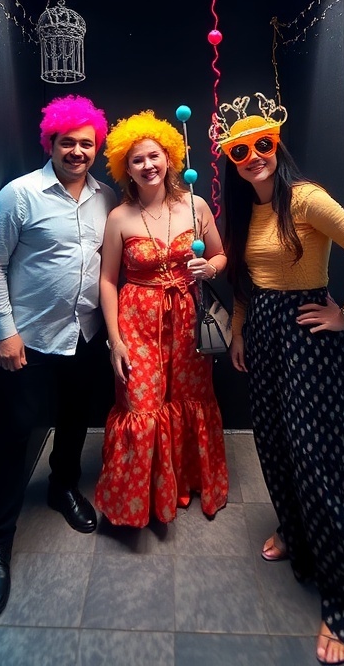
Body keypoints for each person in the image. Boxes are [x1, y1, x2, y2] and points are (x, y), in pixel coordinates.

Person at [214, 93, 344, 665]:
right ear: (231, 159)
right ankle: (296, 532)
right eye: (241, 151)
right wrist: (240, 332)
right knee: (275, 445)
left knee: (315, 459)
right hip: (265, 333)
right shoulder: (247, 210)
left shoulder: (307, 198)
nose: (253, 157)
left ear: (276, 144)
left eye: (261, 145)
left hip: (306, 336)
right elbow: (246, 283)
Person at [0, 95, 117, 619]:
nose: (78, 151)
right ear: (51, 143)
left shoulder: (106, 197)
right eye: (68, 142)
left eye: (87, 143)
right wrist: (4, 330)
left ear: (96, 146)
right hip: (29, 340)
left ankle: (62, 488)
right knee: (13, 440)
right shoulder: (21, 194)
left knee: (76, 422)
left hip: (84, 335)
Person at [94, 110, 229, 527]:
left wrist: (211, 268)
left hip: (188, 318)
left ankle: (187, 480)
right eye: (137, 160)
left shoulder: (196, 205)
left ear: (170, 157)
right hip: (137, 318)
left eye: (154, 156)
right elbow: (107, 280)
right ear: (125, 168)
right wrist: (115, 340)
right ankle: (142, 499)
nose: (148, 165)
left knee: (191, 399)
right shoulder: (119, 217)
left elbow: (221, 256)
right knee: (141, 403)